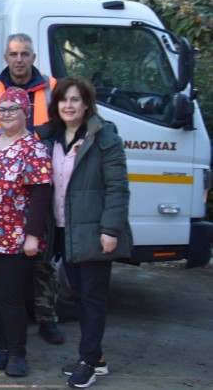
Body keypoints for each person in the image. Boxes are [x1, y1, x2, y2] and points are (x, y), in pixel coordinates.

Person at [0, 33, 64, 345]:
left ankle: (47, 318)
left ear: (33, 57)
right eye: (13, 54)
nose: (19, 59)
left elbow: (67, 128)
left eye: (24, 53)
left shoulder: (52, 87)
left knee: (41, 258)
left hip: (41, 184)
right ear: (5, 58)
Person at [37, 77, 131, 389]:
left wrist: (110, 229)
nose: (69, 105)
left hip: (94, 232)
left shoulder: (105, 139)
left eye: (75, 100)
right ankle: (97, 357)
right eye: (64, 100)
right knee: (76, 294)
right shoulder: (50, 137)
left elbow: (118, 188)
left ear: (87, 104)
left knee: (92, 298)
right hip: (63, 229)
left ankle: (87, 362)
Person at [0, 87, 53, 377]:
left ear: (25, 112)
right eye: (1, 109)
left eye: (12, 109)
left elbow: (41, 196)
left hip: (15, 238)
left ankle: (18, 354)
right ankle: (2, 349)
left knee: (10, 297)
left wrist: (32, 235)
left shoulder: (34, 148)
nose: (6, 114)